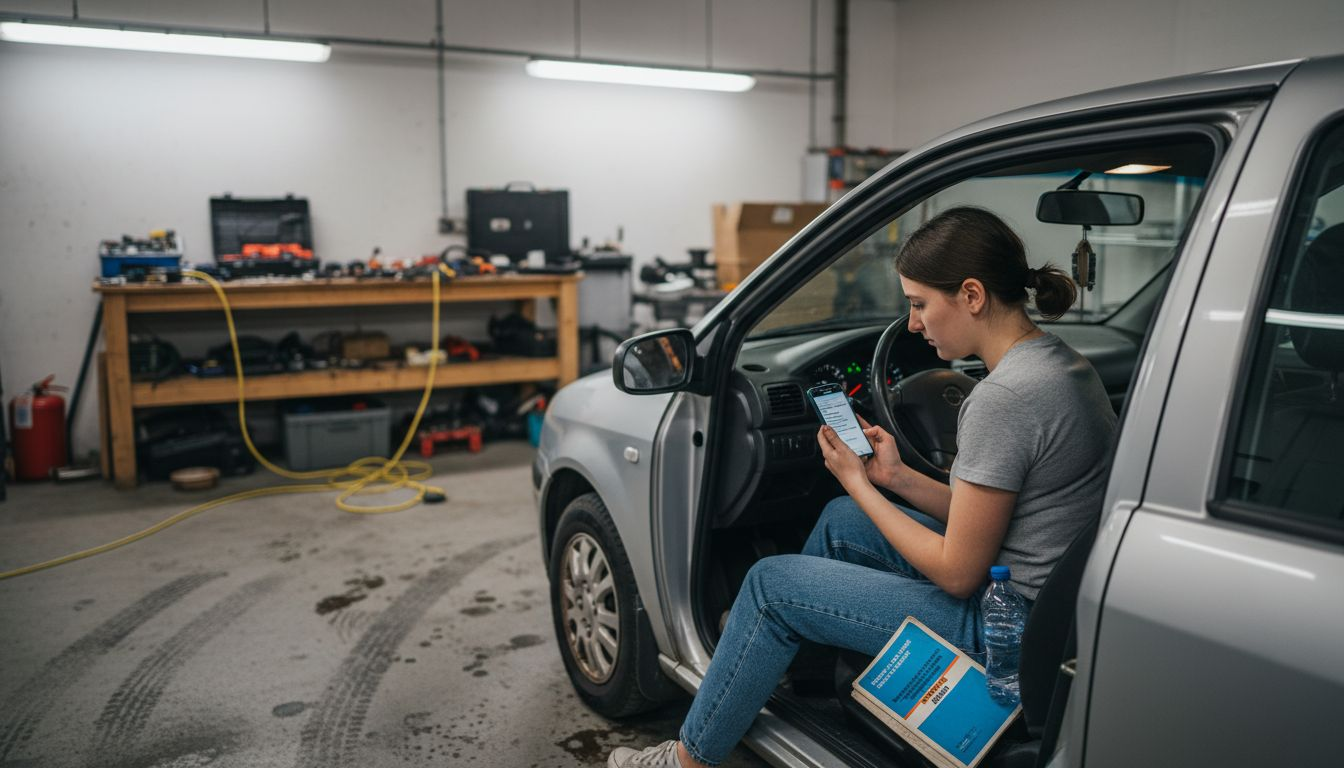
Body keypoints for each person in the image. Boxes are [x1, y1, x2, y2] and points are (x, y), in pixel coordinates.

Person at [608, 207, 1118, 768]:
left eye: (920, 303)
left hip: (1000, 630)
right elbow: (994, 515)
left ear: (972, 295)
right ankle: (776, 669)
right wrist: (894, 477)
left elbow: (957, 571)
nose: (915, 324)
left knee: (767, 586)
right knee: (839, 521)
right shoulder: (1061, 365)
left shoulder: (1002, 399)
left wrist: (860, 484)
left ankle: (687, 758)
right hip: (1046, 606)